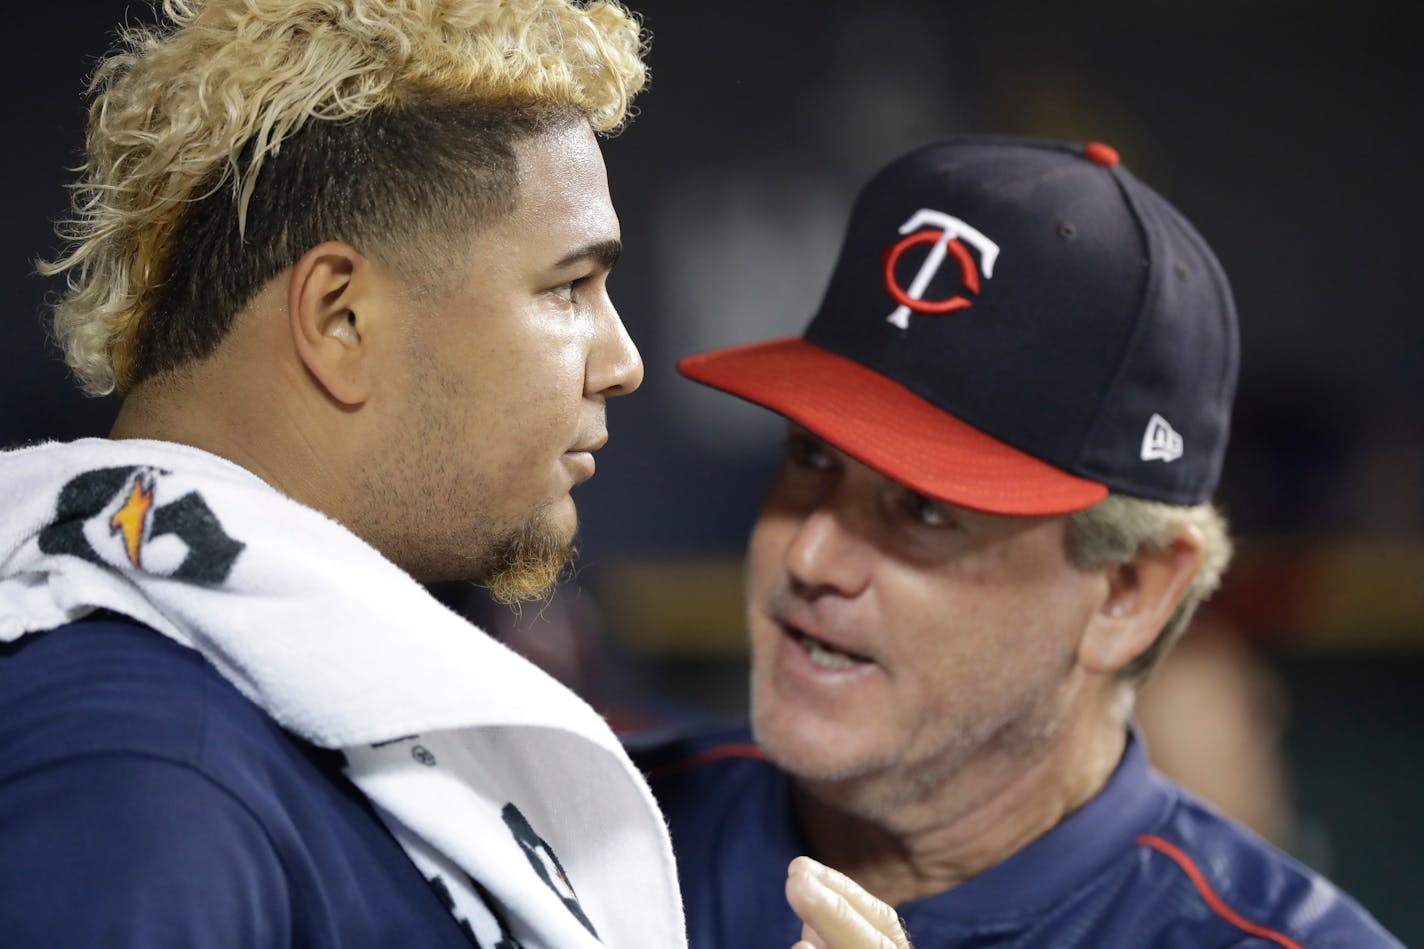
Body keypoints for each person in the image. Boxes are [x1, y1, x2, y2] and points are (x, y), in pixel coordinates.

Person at [0, 3, 909, 948]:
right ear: (342, 317)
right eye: (567, 287)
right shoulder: (143, 770)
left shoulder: (270, 702)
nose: (623, 359)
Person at [633, 136, 1403, 947]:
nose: (810, 557)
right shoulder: (569, 830)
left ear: (1126, 592)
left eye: (924, 510)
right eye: (810, 457)